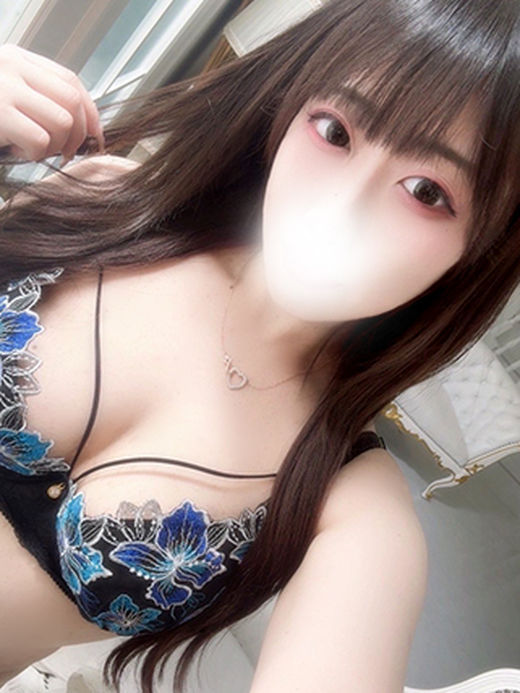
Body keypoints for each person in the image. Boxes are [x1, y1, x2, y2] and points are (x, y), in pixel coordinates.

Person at [0, 0, 518, 690]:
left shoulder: (350, 508)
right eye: (334, 130)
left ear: (480, 249)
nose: (342, 203)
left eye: (426, 191)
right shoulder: (103, 202)